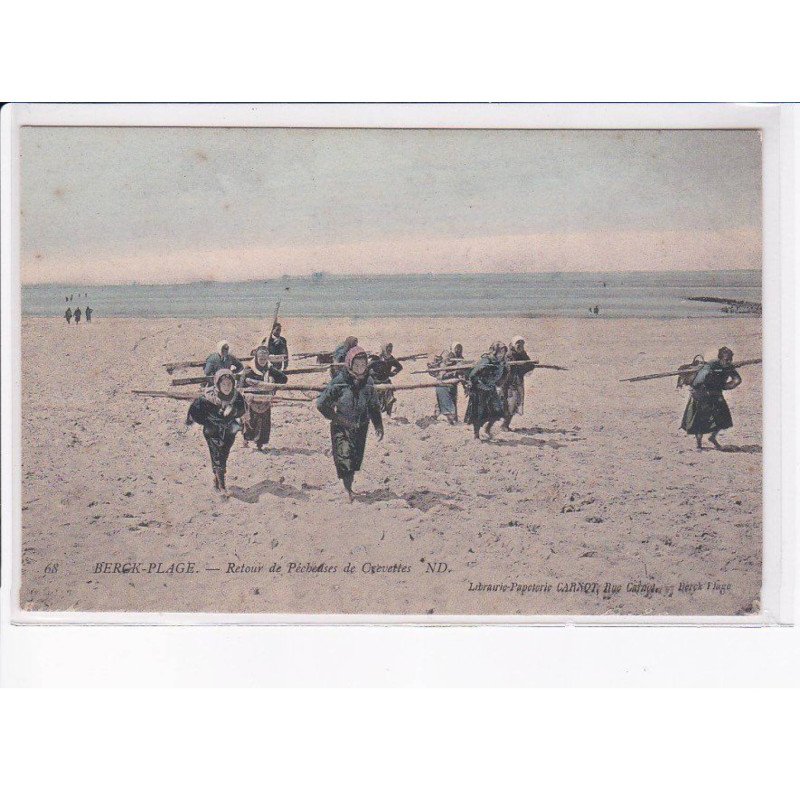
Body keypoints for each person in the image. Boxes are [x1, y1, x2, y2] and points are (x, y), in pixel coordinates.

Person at [316, 346, 384, 501]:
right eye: (357, 365)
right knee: (344, 457)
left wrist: (378, 425)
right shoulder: (340, 382)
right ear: (349, 364)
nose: (360, 369)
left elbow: (373, 405)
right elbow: (321, 404)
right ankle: (348, 490)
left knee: (354, 459)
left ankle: (349, 486)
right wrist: (336, 418)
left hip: (361, 425)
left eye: (363, 365)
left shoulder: (368, 383)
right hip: (342, 426)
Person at [186, 368, 246, 496]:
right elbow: (194, 411)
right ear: (218, 384)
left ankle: (217, 478)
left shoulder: (236, 396)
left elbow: (242, 409)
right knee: (216, 454)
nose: (226, 387)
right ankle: (222, 486)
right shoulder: (208, 397)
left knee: (224, 454)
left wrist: (233, 411)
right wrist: (207, 421)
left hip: (229, 430)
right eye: (223, 384)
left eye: (229, 384)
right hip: (212, 430)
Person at [680, 347, 741, 450]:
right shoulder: (710, 366)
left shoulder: (729, 366)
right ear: (720, 358)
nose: (729, 361)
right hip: (701, 395)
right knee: (699, 420)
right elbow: (697, 382)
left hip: (716, 395)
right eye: (727, 359)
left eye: (730, 359)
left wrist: (725, 386)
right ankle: (699, 444)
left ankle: (712, 437)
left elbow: (737, 379)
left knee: (723, 418)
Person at [241, 345, 288, 451]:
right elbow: (241, 384)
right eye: (260, 359)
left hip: (265, 400)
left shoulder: (269, 368)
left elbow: (283, 379)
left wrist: (274, 385)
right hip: (251, 400)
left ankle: (260, 444)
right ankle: (246, 440)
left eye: (264, 359)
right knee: (250, 421)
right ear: (256, 358)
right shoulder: (249, 368)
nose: (262, 361)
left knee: (263, 423)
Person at [465, 342, 509, 440]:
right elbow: (472, 375)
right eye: (500, 351)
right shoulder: (486, 360)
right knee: (478, 413)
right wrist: (480, 384)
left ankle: (487, 429)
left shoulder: (503, 363)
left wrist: (500, 383)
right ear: (495, 351)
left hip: (491, 389)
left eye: (503, 352)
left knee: (497, 411)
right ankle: (476, 435)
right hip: (479, 390)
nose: (502, 354)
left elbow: (504, 376)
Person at [500, 336, 537, 431]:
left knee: (516, 404)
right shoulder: (508, 354)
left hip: (518, 383)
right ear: (513, 344)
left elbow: (529, 365)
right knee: (511, 404)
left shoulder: (523, 354)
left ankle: (505, 424)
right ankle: (504, 425)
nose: (520, 345)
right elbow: (507, 368)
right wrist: (518, 366)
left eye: (522, 343)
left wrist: (528, 365)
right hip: (508, 383)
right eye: (518, 343)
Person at [428, 342, 464, 424]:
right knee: (448, 408)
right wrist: (454, 372)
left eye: (460, 348)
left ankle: (444, 418)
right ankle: (442, 420)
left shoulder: (460, 358)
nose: (458, 350)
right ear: (453, 348)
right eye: (457, 348)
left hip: (452, 385)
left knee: (451, 405)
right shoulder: (448, 357)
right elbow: (442, 371)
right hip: (444, 384)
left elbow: (461, 372)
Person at [368, 343, 403, 416]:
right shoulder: (376, 358)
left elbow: (399, 367)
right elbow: (366, 368)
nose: (390, 350)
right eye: (388, 348)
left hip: (386, 381)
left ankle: (388, 415)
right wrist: (371, 374)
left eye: (391, 348)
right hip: (376, 383)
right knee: (376, 401)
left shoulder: (390, 358)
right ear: (384, 349)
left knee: (390, 399)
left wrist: (393, 373)